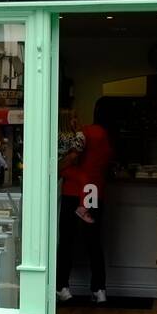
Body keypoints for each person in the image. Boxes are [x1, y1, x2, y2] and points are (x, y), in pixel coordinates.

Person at [57, 117, 113, 304]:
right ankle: (99, 289)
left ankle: (62, 287)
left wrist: (55, 167)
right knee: (93, 242)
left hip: (73, 190)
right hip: (94, 190)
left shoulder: (81, 134)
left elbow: (73, 156)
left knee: (67, 240)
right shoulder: (105, 136)